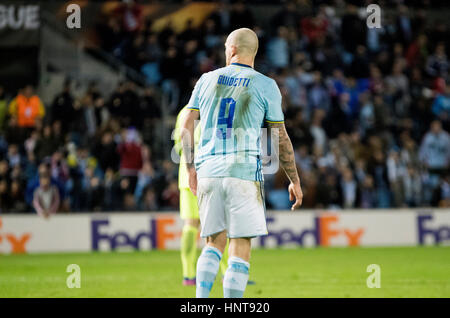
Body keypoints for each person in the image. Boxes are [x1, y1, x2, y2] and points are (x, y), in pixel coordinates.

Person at [180, 28, 303, 298]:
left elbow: (186, 125)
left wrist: (190, 168)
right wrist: (294, 180)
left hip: (209, 172)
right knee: (240, 244)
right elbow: (280, 137)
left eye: (226, 46)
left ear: (232, 49)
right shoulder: (265, 85)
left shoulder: (206, 79)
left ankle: (201, 302)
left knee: (213, 242)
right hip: (244, 173)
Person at [174, 105, 229, 286]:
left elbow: (178, 145)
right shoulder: (213, 109)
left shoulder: (184, 112)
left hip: (188, 175)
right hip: (206, 174)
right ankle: (225, 273)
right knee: (217, 224)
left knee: (194, 224)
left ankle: (189, 274)